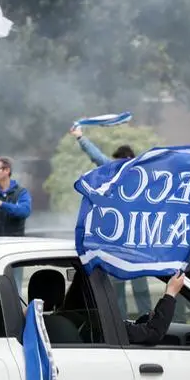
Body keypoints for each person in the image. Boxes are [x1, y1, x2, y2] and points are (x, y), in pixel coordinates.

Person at [68, 125, 150, 319]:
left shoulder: (142, 177)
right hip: (122, 241)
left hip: (131, 241)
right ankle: (121, 322)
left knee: (137, 287)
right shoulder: (119, 175)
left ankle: (139, 320)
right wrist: (81, 138)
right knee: (119, 287)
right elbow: (98, 157)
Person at [125, 271, 185, 345]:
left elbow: (129, 329)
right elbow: (153, 333)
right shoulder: (110, 329)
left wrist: (147, 317)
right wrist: (170, 293)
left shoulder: (109, 326)